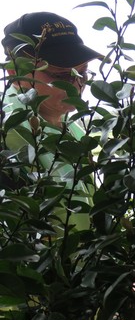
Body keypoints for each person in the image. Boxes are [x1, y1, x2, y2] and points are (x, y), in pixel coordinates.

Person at [1, 12, 103, 229]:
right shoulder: (7, 133)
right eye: (62, 75)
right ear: (14, 72)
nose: (77, 85)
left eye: (83, 73)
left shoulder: (73, 130)